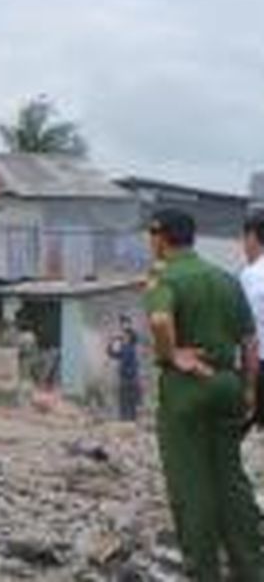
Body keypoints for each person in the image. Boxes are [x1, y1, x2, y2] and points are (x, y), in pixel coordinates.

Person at [143, 209, 261, 581]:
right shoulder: (226, 279)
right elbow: (250, 342)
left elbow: (160, 320)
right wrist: (248, 390)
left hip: (187, 390)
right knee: (230, 478)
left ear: (161, 237)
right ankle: (251, 567)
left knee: (190, 483)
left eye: (151, 235)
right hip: (229, 383)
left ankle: (204, 571)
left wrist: (171, 354)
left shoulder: (165, 276)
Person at [240, 211, 264, 429]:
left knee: (234, 429)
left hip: (258, 364)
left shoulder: (252, 275)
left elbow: (247, 331)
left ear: (252, 237)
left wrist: (249, 384)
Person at [105, 314, 141, 421]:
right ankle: (127, 420)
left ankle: (128, 420)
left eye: (125, 337)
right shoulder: (126, 348)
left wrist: (124, 327)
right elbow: (111, 353)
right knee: (126, 401)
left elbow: (115, 354)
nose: (123, 338)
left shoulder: (130, 347)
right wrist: (111, 342)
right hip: (127, 378)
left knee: (128, 401)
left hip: (129, 378)